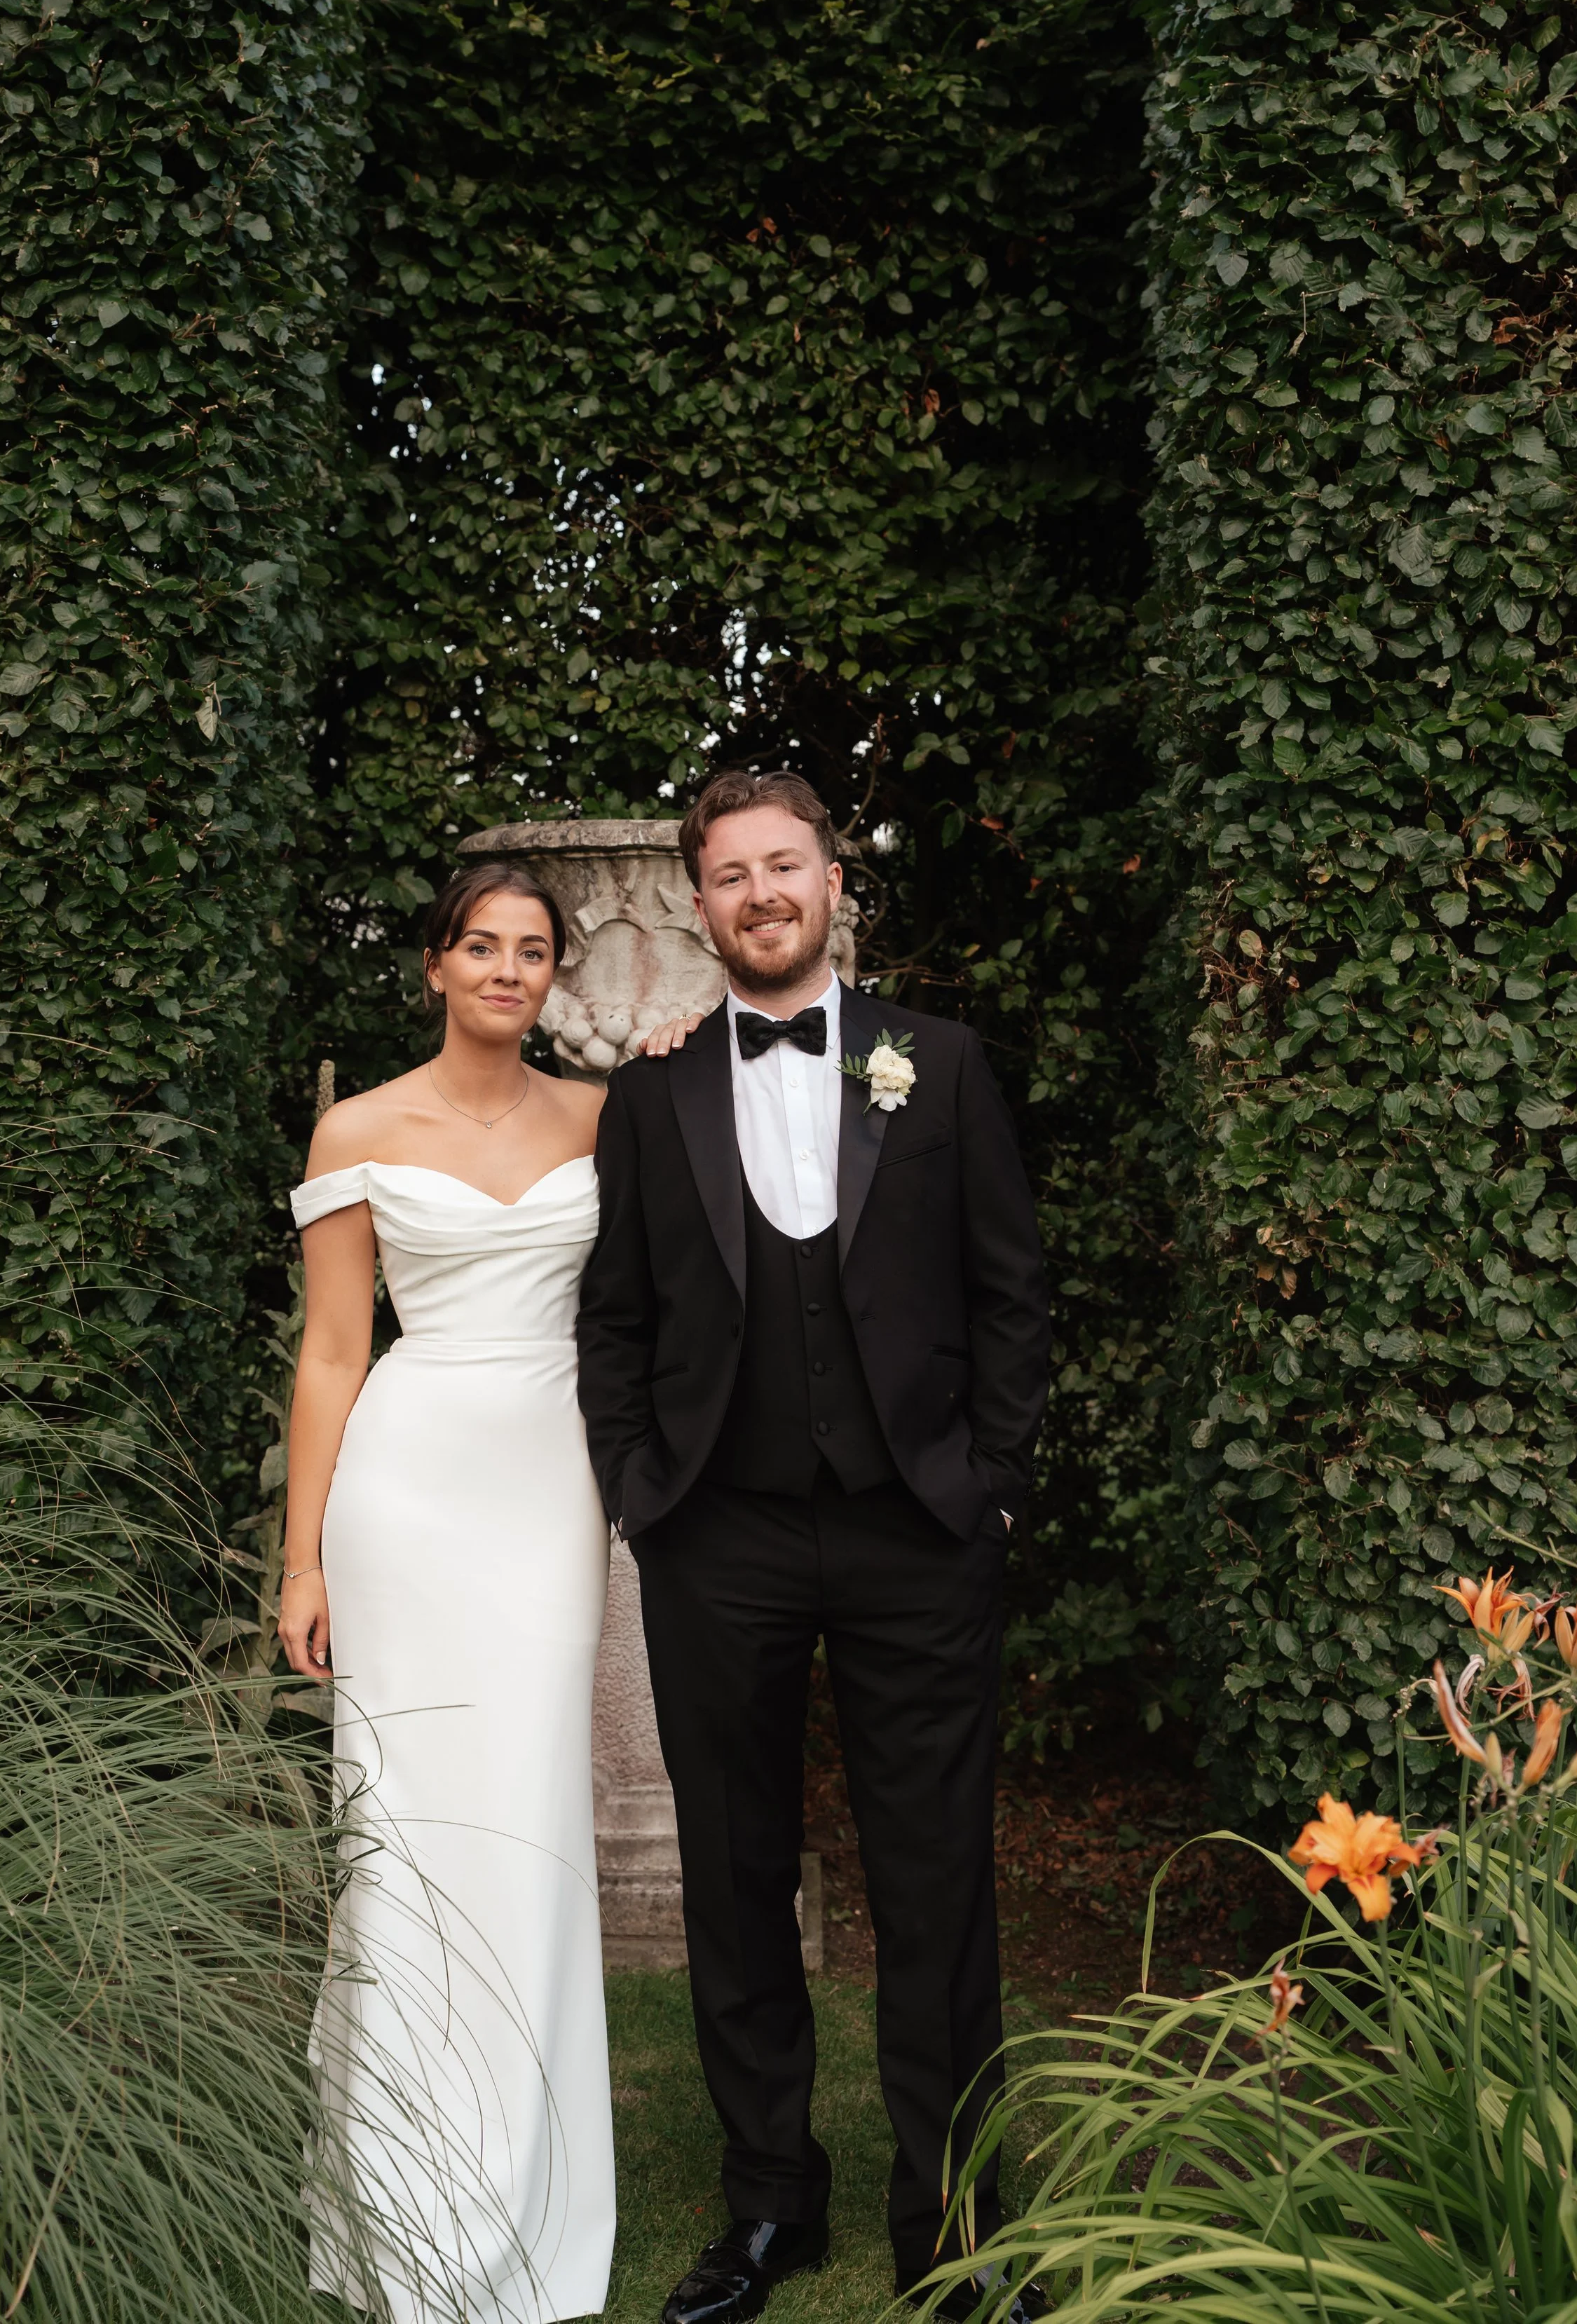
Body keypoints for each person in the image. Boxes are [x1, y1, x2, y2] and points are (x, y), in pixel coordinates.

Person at [577, 770, 1051, 2324]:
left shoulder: (946, 1066)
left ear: (834, 882)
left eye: (784, 865)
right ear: (697, 905)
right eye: (728, 875)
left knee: (935, 1887)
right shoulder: (648, 1099)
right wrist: (643, 1494)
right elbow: (620, 1319)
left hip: (919, 1534)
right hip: (718, 1539)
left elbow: (1007, 1299)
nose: (759, 894)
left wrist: (984, 1489)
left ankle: (956, 2218)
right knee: (732, 1878)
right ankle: (769, 2206)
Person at [280, 862, 615, 2324]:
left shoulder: (606, 1117)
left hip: (547, 1494)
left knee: (530, 1819)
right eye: (478, 946)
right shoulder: (358, 1128)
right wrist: (301, 1557)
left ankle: (528, 2181)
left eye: (530, 951)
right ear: (434, 966)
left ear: (553, 978)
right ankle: (396, 2188)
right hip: (401, 1503)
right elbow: (333, 1356)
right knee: (406, 1830)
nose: (502, 969)